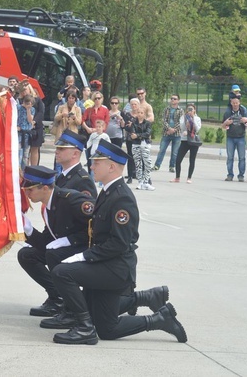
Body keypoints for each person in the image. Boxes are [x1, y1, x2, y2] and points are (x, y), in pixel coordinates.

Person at [46, 140, 187, 345]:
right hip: (105, 265)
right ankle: (159, 319)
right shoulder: (108, 191)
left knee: (61, 272)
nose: (91, 167)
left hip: (115, 269)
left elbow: (119, 244)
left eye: (96, 163)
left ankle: (84, 328)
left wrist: (83, 256)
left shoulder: (121, 198)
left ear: (111, 166)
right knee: (107, 329)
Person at [17, 165, 94, 319]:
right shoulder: (48, 206)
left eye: (30, 190)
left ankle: (71, 308)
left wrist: (70, 240)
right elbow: (47, 241)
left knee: (54, 254)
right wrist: (28, 230)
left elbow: (99, 224)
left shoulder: (71, 200)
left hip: (89, 248)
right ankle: (57, 297)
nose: (27, 193)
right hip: (68, 249)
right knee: (27, 255)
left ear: (45, 188)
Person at [53, 130, 98, 195]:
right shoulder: (62, 177)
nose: (56, 152)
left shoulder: (83, 181)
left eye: (61, 149)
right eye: (57, 148)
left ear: (75, 154)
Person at [222, 97, 247, 182]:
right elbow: (223, 126)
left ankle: (241, 175)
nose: (235, 104)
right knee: (230, 157)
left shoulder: (243, 111)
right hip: (230, 137)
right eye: (233, 103)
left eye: (236, 103)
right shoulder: (227, 113)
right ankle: (230, 175)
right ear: (231, 103)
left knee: (242, 157)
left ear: (239, 103)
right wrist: (226, 123)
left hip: (241, 137)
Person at [153, 94, 184, 173]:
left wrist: (173, 129)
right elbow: (163, 120)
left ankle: (172, 166)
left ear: (178, 100)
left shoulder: (180, 110)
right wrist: (169, 128)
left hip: (176, 134)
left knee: (174, 152)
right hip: (166, 133)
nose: (173, 100)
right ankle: (157, 165)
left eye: (175, 99)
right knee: (162, 150)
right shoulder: (166, 109)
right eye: (172, 98)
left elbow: (181, 122)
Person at [126, 106, 154, 191]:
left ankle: (146, 182)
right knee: (138, 164)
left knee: (147, 163)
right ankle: (140, 182)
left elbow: (147, 133)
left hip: (145, 144)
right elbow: (132, 134)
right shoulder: (134, 123)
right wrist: (139, 135)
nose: (140, 114)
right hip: (136, 145)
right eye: (138, 113)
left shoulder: (147, 123)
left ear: (145, 114)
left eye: (142, 113)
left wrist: (138, 135)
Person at [173, 104, 201, 184]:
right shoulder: (183, 117)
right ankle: (177, 177)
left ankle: (189, 177)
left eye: (191, 109)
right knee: (178, 159)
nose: (190, 111)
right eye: (188, 109)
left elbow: (197, 128)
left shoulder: (197, 118)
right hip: (185, 140)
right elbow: (181, 128)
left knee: (192, 159)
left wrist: (193, 119)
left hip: (193, 140)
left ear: (194, 110)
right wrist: (187, 119)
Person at [18, 94, 35, 168]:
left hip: (27, 133)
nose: (28, 105)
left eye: (30, 104)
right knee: (19, 153)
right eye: (27, 103)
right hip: (19, 133)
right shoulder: (18, 107)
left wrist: (28, 110)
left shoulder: (32, 109)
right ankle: (18, 170)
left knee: (26, 155)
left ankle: (23, 170)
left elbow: (30, 120)